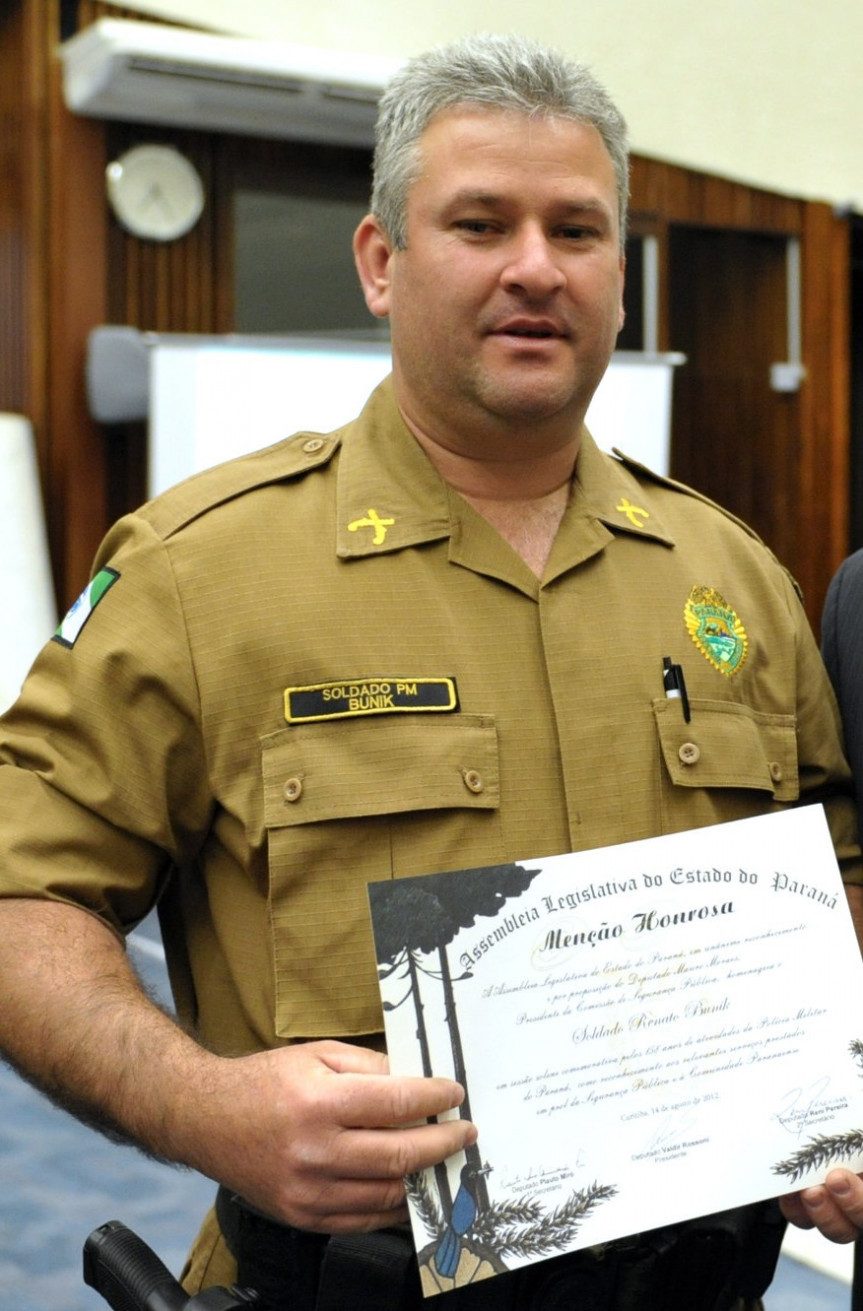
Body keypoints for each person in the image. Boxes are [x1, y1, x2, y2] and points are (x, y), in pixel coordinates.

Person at [1, 30, 862, 1311]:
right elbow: (25, 902)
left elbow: (828, 865)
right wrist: (208, 1105)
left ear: (617, 277)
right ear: (379, 262)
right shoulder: (200, 574)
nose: (533, 268)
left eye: (575, 231)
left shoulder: (729, 576)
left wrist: (833, 1071)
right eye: (478, 222)